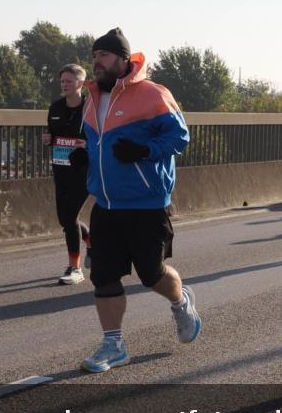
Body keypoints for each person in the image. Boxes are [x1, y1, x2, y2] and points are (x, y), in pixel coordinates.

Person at [78, 28, 201, 373]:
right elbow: (95, 144)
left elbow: (180, 137)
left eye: (103, 56)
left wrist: (145, 150)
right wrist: (82, 158)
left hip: (146, 203)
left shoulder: (152, 93)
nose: (97, 63)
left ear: (122, 59)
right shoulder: (91, 98)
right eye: (94, 56)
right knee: (103, 276)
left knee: (151, 274)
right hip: (106, 203)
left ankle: (180, 302)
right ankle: (113, 345)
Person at [42, 64, 93, 285]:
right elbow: (51, 134)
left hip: (83, 170)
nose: (64, 85)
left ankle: (75, 268)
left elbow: (103, 136)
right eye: (62, 81)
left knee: (70, 216)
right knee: (65, 219)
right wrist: (47, 140)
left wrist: (87, 143)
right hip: (60, 167)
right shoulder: (55, 108)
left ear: (81, 83)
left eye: (69, 81)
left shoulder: (91, 108)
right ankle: (91, 242)